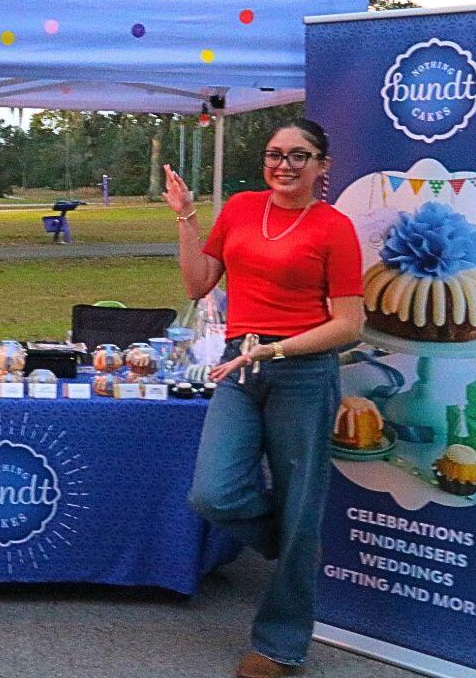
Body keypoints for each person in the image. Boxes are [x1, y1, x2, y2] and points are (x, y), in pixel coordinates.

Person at [163, 119, 364, 678]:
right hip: (239, 364)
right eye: (276, 154)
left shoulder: (333, 228)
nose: (285, 165)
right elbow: (199, 283)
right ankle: (295, 543)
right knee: (214, 492)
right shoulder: (242, 209)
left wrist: (274, 353)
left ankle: (279, 643)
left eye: (300, 156)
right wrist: (184, 214)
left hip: (301, 372)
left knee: (301, 503)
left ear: (323, 165)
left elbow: (349, 324)